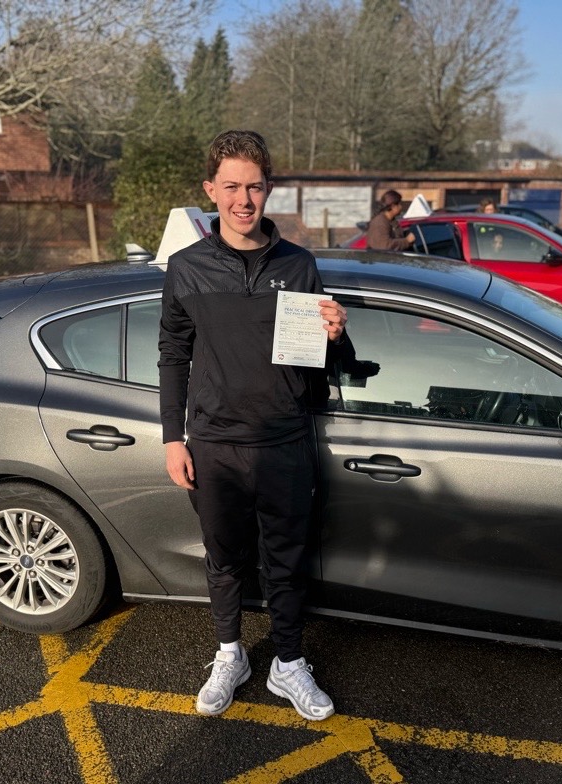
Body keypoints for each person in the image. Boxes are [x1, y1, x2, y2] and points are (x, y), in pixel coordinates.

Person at [158, 130, 347, 722]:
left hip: (285, 439)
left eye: (255, 187)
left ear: (269, 190)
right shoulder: (187, 269)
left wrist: (336, 336)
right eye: (232, 186)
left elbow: (322, 363)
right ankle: (230, 654)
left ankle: (288, 663)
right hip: (214, 443)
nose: (244, 199)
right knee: (224, 558)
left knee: (287, 559)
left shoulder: (298, 264)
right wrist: (172, 437)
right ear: (210, 189)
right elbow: (173, 352)